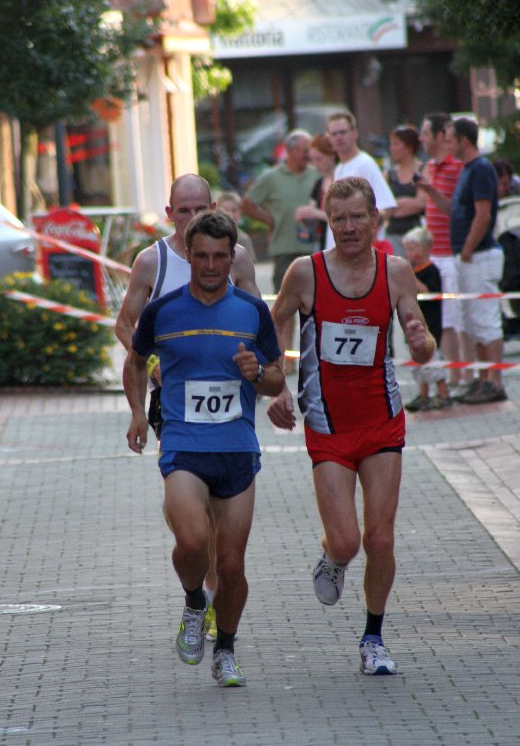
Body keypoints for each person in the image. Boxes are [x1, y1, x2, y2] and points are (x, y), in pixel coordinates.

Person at [268, 177, 435, 676]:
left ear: (375, 220)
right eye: (338, 218)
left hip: (382, 422)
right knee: (346, 541)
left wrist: (421, 342)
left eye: (357, 217)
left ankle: (373, 638)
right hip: (328, 426)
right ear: (328, 221)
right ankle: (331, 557)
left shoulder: (396, 271)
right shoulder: (306, 273)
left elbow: (420, 335)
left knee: (379, 539)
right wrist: (276, 385)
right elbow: (275, 322)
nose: (348, 227)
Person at [123, 211, 284, 687]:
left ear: (232, 258)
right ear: (188, 256)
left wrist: (258, 373)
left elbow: (277, 378)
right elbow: (135, 362)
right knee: (192, 542)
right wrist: (137, 413)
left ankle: (226, 650)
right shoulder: (163, 311)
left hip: (236, 449)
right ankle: (195, 601)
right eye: (201, 256)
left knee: (232, 565)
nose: (211, 266)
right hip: (184, 447)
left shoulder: (252, 312)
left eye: (219, 257)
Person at [115, 173, 260, 640]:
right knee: (199, 523)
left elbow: (259, 322)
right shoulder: (151, 261)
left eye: (201, 209)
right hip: (174, 399)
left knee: (221, 522)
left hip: (230, 402)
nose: (192, 217)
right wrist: (151, 368)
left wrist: (263, 372)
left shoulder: (235, 256)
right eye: (183, 210)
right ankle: (198, 578)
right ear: (169, 213)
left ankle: (212, 597)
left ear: (213, 208)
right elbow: (126, 327)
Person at [240, 129, 320, 370]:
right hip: (284, 249)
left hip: (314, 248)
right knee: (284, 307)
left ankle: (314, 358)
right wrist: (269, 220)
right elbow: (247, 204)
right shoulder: (271, 177)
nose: (309, 155)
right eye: (305, 150)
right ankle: (285, 359)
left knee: (316, 305)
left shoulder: (317, 174)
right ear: (291, 151)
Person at [447, 117, 507, 404]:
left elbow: (483, 215)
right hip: (471, 255)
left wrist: (467, 250)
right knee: (473, 324)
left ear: (464, 140)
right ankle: (483, 380)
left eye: (450, 139)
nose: (448, 144)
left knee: (486, 321)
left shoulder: (481, 168)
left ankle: (494, 381)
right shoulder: (468, 169)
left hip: (479, 256)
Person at [418, 112, 467, 388]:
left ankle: (461, 373)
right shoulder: (430, 166)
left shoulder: (456, 166)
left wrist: (429, 191)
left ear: (439, 136)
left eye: (426, 133)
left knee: (454, 318)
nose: (422, 139)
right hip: (434, 252)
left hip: (450, 252)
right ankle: (451, 374)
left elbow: (456, 209)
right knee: (442, 318)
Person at [323, 111, 396, 250]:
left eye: (343, 132)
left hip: (360, 251)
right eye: (334, 134)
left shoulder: (365, 163)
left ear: (355, 133)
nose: (339, 137)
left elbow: (386, 207)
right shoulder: (339, 168)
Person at [402, 227, 451, 411]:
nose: (409, 253)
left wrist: (411, 277)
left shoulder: (431, 270)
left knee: (432, 359)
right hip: (414, 323)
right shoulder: (413, 270)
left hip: (430, 324)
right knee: (418, 360)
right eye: (407, 249)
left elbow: (428, 292)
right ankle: (423, 394)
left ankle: (443, 393)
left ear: (425, 248)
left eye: (413, 248)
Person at [384, 124, 427, 257]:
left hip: (416, 235)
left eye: (396, 144)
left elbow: (420, 203)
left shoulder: (423, 170)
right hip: (393, 234)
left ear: (409, 146)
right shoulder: (389, 175)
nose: (391, 148)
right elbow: (385, 207)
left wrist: (395, 205)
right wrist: (407, 202)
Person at [294, 133, 338, 249]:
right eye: (312, 160)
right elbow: (314, 220)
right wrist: (305, 216)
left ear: (332, 155)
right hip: (323, 243)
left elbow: (344, 217)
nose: (315, 164)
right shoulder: (319, 183)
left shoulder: (342, 180)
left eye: (319, 159)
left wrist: (316, 213)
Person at [215, 191, 256, 262]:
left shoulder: (243, 239)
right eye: (225, 211)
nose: (230, 214)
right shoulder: (211, 236)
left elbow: (250, 265)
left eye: (234, 210)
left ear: (240, 213)